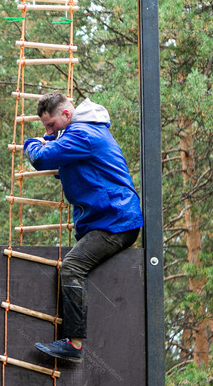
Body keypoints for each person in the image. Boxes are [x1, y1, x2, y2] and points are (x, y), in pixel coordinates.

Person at [22, 92, 143, 361]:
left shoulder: (84, 134)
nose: (49, 131)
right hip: (107, 219)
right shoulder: (76, 134)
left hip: (116, 220)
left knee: (73, 266)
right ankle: (72, 338)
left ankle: (74, 344)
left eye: (51, 125)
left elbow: (41, 159)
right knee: (77, 267)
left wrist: (32, 144)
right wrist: (52, 141)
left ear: (66, 115)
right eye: (45, 128)